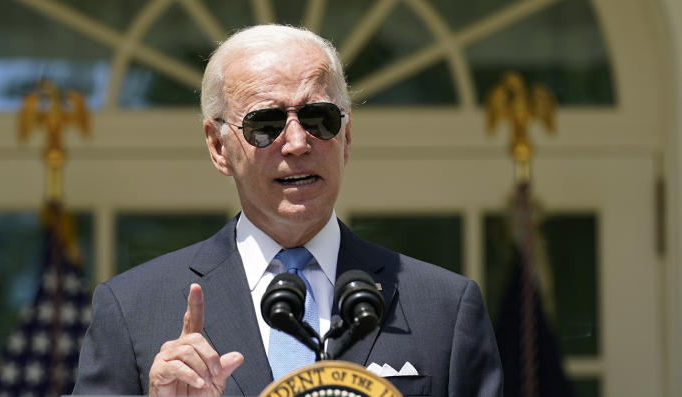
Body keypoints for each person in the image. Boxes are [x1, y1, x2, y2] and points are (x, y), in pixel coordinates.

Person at [73, 24, 503, 397]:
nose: (297, 143)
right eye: (265, 125)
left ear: (347, 137)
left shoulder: (444, 307)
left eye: (319, 119)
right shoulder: (133, 310)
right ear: (218, 146)